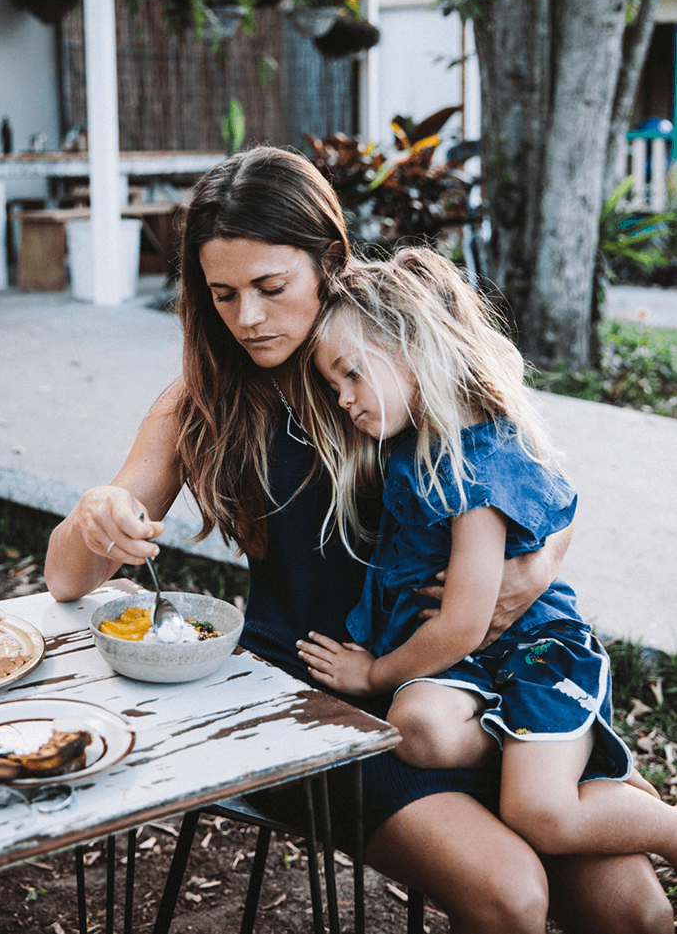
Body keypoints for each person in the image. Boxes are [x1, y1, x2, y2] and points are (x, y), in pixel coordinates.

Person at [45, 146, 672, 933]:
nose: (248, 318)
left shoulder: (388, 368)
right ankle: (527, 757)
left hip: (469, 683)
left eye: (271, 288)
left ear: (328, 261)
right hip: (318, 704)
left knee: (638, 915)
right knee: (512, 894)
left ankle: (527, 754)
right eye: (224, 294)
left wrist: (532, 570)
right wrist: (95, 512)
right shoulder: (199, 404)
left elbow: (537, 483)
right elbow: (67, 576)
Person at [297, 246, 677, 875]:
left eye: (352, 374)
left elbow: (464, 624)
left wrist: (372, 674)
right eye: (334, 384)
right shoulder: (418, 440)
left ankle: (662, 827)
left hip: (531, 655)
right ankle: (573, 758)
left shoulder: (476, 470)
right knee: (415, 725)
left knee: (541, 817)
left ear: (415, 348)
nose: (342, 398)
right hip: (471, 666)